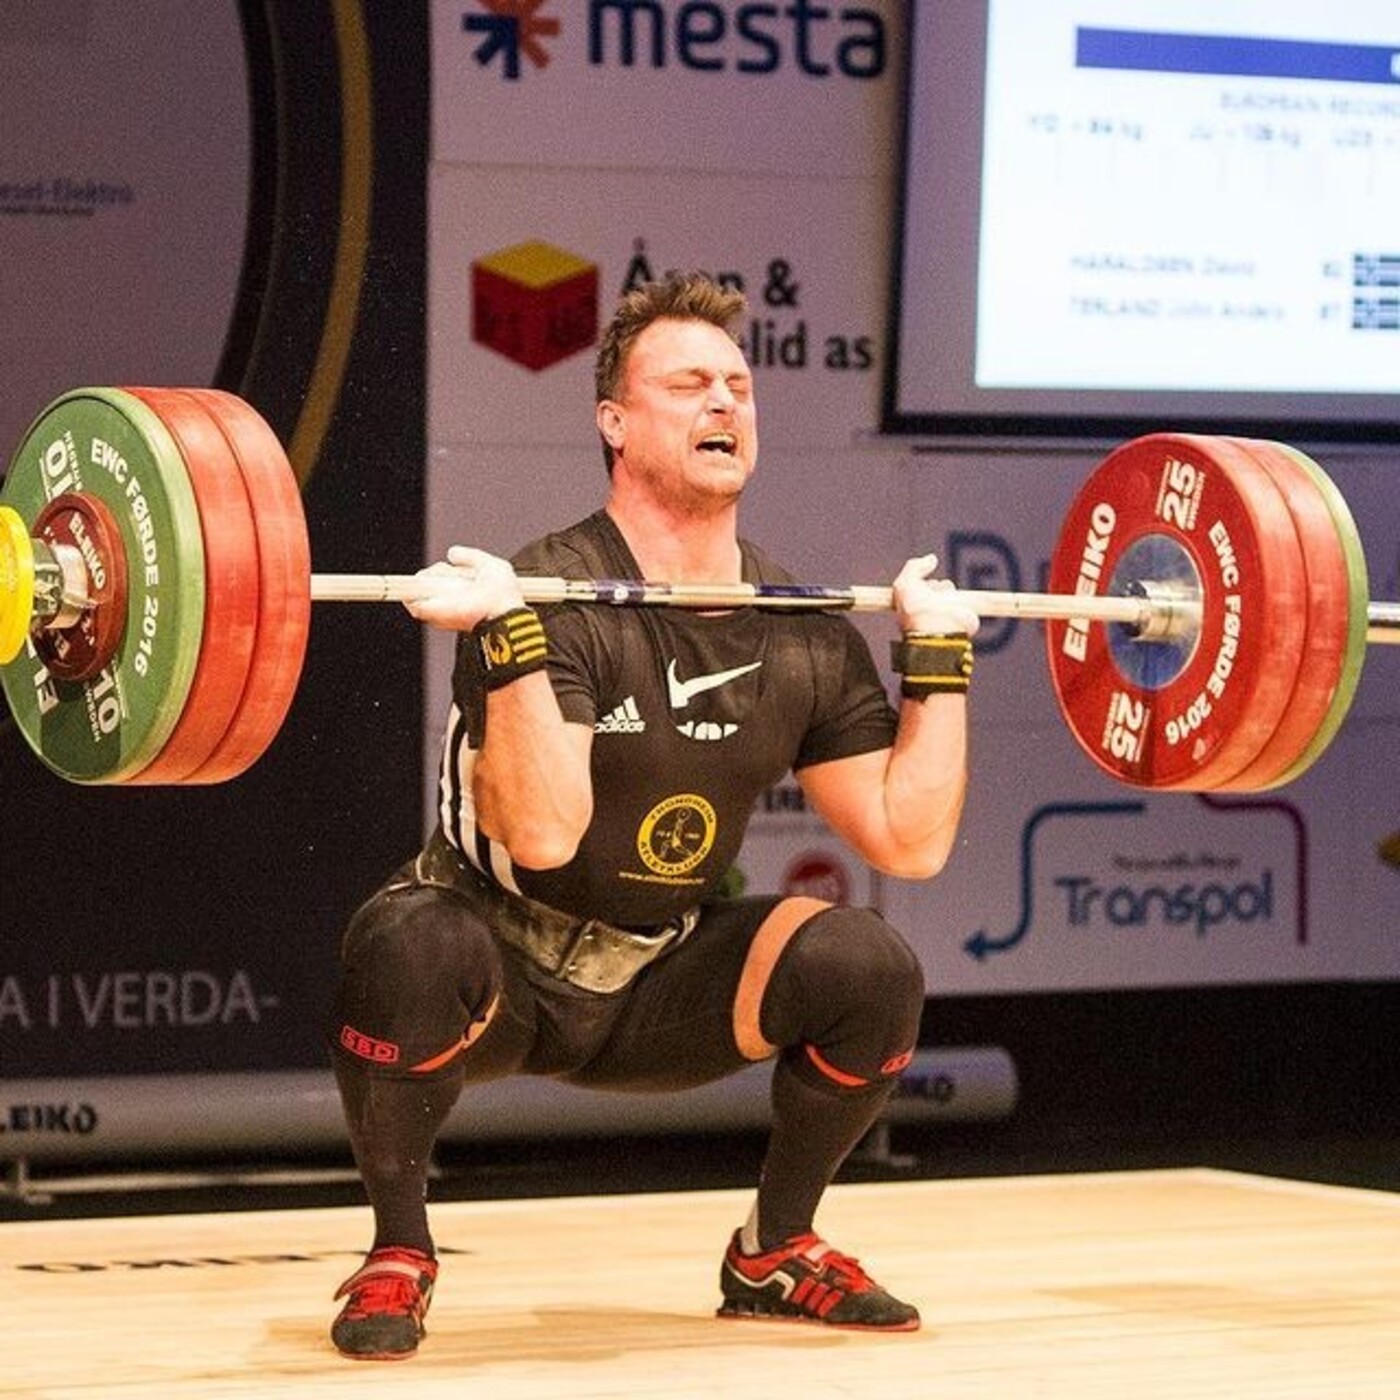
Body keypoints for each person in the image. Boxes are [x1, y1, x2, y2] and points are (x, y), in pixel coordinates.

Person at [327, 272, 979, 1360]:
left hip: (655, 979)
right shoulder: (550, 592)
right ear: (615, 423)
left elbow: (908, 841)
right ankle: (398, 1248)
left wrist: (940, 663)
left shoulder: (800, 629)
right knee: (405, 941)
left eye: (737, 385)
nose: (723, 401)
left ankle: (774, 1247)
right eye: (687, 385)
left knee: (868, 968)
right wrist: (508, 639)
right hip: (495, 970)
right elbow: (543, 835)